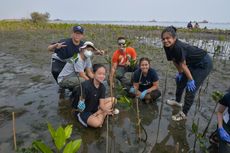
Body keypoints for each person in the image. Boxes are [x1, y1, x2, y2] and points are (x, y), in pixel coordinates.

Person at [161, 26, 212, 121]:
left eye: (168, 38)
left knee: (190, 88)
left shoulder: (178, 47)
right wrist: (180, 73)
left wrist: (191, 79)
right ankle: (177, 101)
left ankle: (184, 113)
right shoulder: (166, 46)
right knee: (180, 81)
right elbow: (174, 60)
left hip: (203, 63)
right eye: (163, 39)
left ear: (174, 38)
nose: (165, 40)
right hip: (191, 63)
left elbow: (183, 64)